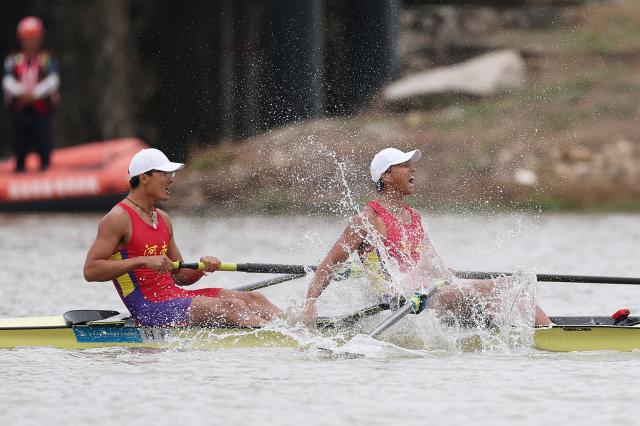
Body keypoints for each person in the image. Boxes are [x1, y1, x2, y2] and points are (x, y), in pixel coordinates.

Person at [302, 147, 552, 327]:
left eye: (411, 164)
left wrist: (449, 274)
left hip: (426, 293)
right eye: (404, 165)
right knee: (508, 289)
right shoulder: (367, 220)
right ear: (386, 176)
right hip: (399, 299)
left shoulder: (414, 216)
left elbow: (432, 263)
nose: (413, 168)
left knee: (509, 286)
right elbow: (329, 265)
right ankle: (550, 336)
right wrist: (311, 302)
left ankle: (528, 330)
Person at [83, 148, 281, 327]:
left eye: (172, 173)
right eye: (165, 173)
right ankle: (281, 338)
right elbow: (90, 271)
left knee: (253, 299)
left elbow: (180, 276)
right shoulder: (118, 218)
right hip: (148, 308)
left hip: (176, 297)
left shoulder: (163, 219)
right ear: (144, 177)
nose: (171, 178)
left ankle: (301, 326)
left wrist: (202, 268)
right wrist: (143, 261)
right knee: (232, 306)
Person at [2, 16, 60, 173]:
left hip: (41, 112)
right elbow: (7, 80)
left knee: (44, 145)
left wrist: (34, 93)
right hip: (20, 113)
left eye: (34, 38)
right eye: (27, 39)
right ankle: (19, 171)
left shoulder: (46, 58)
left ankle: (46, 170)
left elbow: (53, 80)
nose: (31, 43)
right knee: (20, 148)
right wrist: (21, 92)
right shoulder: (13, 59)